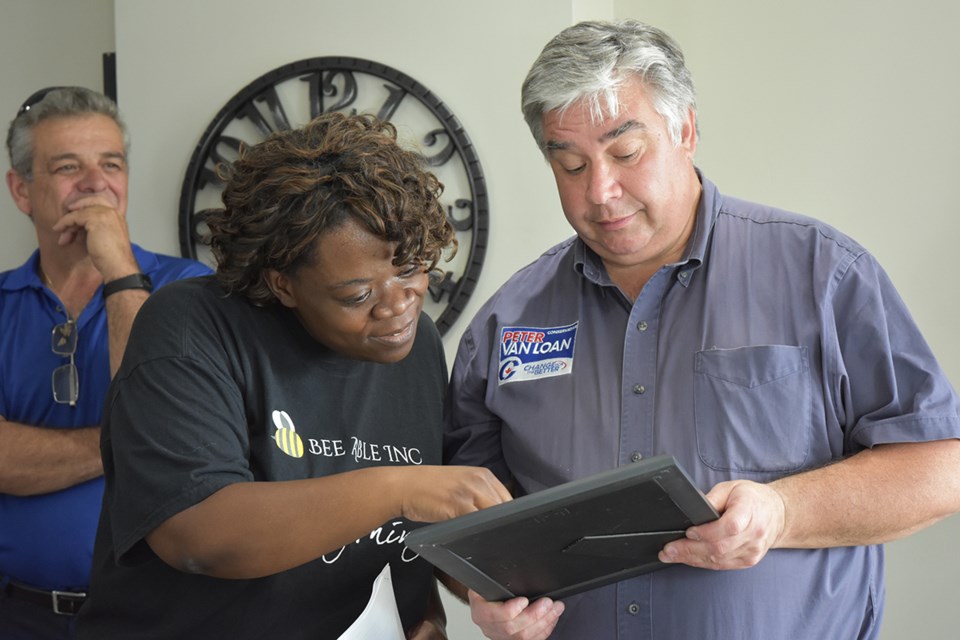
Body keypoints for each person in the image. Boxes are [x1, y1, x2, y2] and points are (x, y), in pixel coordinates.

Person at [443, 19, 960, 640]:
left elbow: (939, 466)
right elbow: (466, 525)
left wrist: (782, 510)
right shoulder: (506, 323)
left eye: (625, 154)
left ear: (685, 129)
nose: (601, 191)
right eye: (571, 164)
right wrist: (483, 592)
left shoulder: (823, 274)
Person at [74, 111, 511, 639]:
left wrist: (424, 617)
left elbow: (403, 538)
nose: (398, 306)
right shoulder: (191, 328)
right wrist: (400, 486)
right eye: (358, 294)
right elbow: (198, 535)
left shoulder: (415, 349)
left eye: (412, 268)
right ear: (282, 284)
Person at [0, 86, 212, 639]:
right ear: (21, 190)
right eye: (68, 166)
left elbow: (163, 415)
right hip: (18, 615)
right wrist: (122, 443)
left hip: (156, 615)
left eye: (111, 164)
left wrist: (119, 268)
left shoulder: (190, 290)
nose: (96, 183)